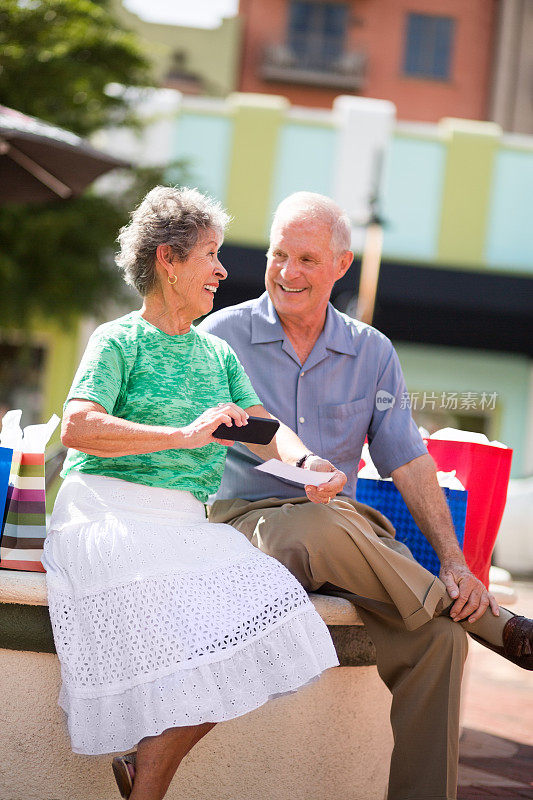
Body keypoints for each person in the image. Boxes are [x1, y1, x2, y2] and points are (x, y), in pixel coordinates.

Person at [200, 191, 533, 800]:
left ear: (341, 266)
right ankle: (494, 624)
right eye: (279, 255)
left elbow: (407, 459)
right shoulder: (221, 336)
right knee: (320, 527)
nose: (287, 272)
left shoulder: (372, 352)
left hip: (344, 533)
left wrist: (456, 563)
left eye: (305, 259)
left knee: (439, 639)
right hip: (247, 525)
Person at [42, 187, 347, 800]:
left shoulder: (218, 353)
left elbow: (264, 430)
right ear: (168, 261)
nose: (221, 269)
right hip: (105, 508)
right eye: (210, 254)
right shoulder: (118, 340)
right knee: (202, 637)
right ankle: (149, 784)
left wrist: (310, 463)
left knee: (270, 621)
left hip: (181, 522)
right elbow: (78, 426)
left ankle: (143, 772)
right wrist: (179, 434)